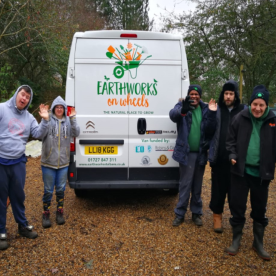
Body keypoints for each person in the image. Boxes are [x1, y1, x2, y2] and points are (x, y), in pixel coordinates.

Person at [225, 85, 275, 260]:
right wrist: (232, 154)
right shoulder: (240, 118)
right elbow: (230, 140)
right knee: (238, 206)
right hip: (240, 172)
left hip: (262, 174)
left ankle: (258, 242)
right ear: (250, 103)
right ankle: (236, 239)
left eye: (261, 105)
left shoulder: (273, 121)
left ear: (266, 105)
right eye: (255, 104)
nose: (257, 108)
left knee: (259, 209)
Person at [0, 85, 49, 251]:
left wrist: (45, 120)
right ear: (16, 94)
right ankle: (1, 231)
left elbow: (38, 134)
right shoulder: (2, 109)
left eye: (27, 97)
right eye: (22, 94)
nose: (24, 98)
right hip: (1, 160)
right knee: (1, 197)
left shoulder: (28, 117)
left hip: (18, 162)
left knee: (18, 196)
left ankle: (22, 226)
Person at [170, 84, 217, 227]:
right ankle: (180, 213)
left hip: (201, 153)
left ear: (200, 96)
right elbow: (173, 115)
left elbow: (211, 127)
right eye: (192, 93)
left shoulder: (204, 108)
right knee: (185, 184)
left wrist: (213, 112)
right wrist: (182, 111)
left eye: (197, 94)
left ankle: (196, 213)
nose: (194, 96)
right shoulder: (182, 105)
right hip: (186, 153)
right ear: (188, 95)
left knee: (197, 186)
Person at [208, 80, 246, 233]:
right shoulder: (217, 109)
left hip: (236, 159)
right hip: (219, 157)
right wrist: (210, 114)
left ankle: (236, 220)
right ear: (222, 95)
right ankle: (217, 217)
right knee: (218, 190)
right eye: (226, 93)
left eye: (231, 94)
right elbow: (208, 131)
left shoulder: (243, 110)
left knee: (236, 192)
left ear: (235, 95)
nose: (228, 97)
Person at [41, 96, 80, 228]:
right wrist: (44, 120)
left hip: (63, 162)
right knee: (48, 190)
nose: (59, 109)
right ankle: (45, 212)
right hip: (48, 162)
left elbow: (77, 132)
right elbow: (39, 135)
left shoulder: (68, 121)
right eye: (57, 107)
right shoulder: (48, 120)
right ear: (53, 108)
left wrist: (73, 119)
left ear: (64, 109)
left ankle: (59, 211)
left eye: (61, 107)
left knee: (61, 189)